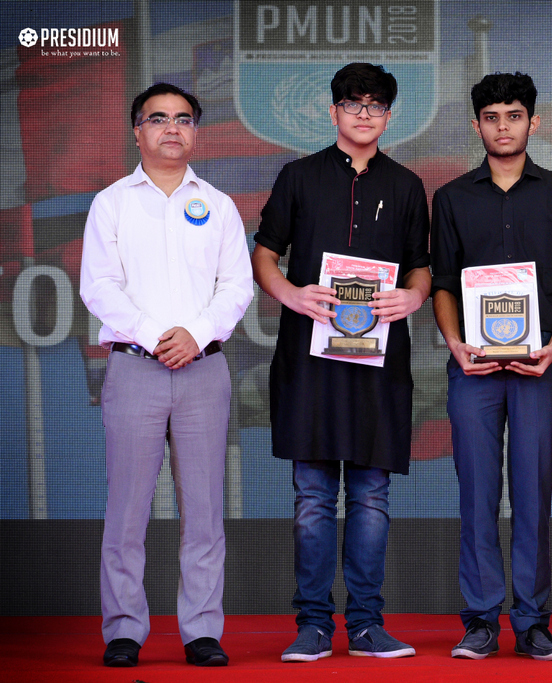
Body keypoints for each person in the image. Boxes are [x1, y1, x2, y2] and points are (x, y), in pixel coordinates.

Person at [251, 63, 430, 661]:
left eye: (375, 105)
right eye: (353, 103)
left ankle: (367, 625)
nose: (364, 114)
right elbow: (265, 255)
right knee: (312, 497)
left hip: (379, 362)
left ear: (388, 116)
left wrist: (415, 296)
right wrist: (291, 295)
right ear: (333, 112)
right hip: (310, 361)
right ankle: (312, 625)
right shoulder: (298, 177)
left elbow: (421, 266)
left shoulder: (407, 186)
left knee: (372, 497)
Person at [80, 83, 253, 667]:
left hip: (204, 369)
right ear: (138, 131)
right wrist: (159, 334)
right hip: (135, 367)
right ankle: (124, 631)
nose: (171, 128)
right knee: (127, 510)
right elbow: (99, 286)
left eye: (182, 119)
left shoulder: (219, 205)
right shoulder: (112, 203)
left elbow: (237, 286)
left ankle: (201, 630)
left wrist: (195, 335)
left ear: (196, 132)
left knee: (203, 510)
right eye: (158, 119)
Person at [431, 72, 552, 661]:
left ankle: (532, 622)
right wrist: (455, 344)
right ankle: (479, 620)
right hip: (472, 366)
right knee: (476, 494)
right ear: (477, 125)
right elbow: (442, 283)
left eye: (514, 116)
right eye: (492, 117)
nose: (503, 127)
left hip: (540, 364)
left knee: (533, 493)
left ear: (533, 122)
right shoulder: (451, 198)